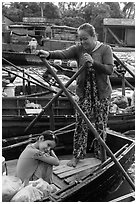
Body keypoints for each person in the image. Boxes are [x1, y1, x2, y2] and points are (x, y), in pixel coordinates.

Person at [37, 23, 114, 167]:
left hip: (101, 94)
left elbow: (110, 70)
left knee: (100, 125)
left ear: (93, 36)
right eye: (80, 39)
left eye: (85, 39)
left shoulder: (105, 49)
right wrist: (49, 54)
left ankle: (100, 155)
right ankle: (77, 156)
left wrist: (93, 63)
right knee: (80, 125)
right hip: (84, 93)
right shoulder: (79, 49)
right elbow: (64, 53)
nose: (83, 42)